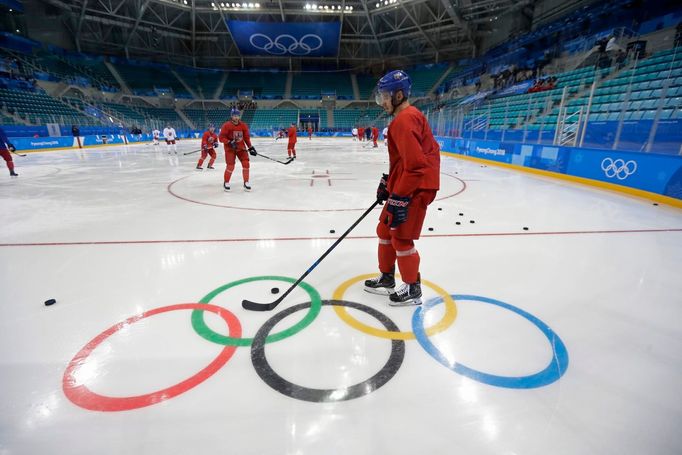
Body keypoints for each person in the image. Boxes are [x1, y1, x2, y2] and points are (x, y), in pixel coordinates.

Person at [364, 70, 440, 306]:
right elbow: (404, 161)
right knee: (384, 229)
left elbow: (416, 166)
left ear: (398, 95)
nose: (382, 101)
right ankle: (387, 278)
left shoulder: (405, 120)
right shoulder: (406, 118)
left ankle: (412, 288)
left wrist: (399, 196)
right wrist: (389, 182)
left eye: (385, 96)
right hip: (407, 182)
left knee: (401, 238)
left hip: (416, 187)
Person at [218, 107, 256, 191]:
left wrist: (250, 147)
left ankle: (246, 182)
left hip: (241, 148)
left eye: (237, 115)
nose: (236, 117)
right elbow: (221, 138)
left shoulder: (243, 125)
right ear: (231, 116)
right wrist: (229, 142)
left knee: (246, 164)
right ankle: (226, 182)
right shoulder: (226, 125)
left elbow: (246, 138)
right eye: (234, 115)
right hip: (230, 149)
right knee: (230, 166)